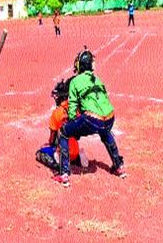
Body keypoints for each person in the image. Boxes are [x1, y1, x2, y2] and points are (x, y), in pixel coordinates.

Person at [53, 46, 126, 187]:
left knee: (63, 131)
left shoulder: (75, 81)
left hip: (92, 119)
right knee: (105, 132)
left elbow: (73, 106)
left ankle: (64, 174)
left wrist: (72, 124)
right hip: (110, 117)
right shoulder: (97, 79)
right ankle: (119, 166)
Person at [36, 78, 88, 171]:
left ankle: (58, 163)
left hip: (63, 151)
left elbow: (52, 138)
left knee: (40, 153)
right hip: (74, 150)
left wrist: (49, 144)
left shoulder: (57, 113)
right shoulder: (75, 110)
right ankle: (77, 157)